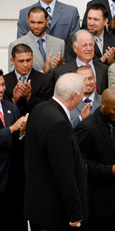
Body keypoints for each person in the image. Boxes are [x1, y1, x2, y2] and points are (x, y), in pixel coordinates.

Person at [24, 73, 88, 230]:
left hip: (37, 206)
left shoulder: (39, 109)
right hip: (55, 213)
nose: (84, 98)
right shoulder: (58, 123)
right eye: (83, 94)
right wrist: (75, 212)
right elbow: (64, 173)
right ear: (74, 96)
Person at [75, 87, 115, 231]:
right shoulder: (87, 127)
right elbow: (80, 164)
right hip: (96, 204)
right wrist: (110, 170)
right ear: (103, 103)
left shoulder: (114, 121)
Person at [0, 71, 28, 231]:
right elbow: (10, 131)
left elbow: (19, 142)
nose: (1, 89)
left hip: (13, 179)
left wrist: (22, 132)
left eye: (3, 84)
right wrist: (12, 128)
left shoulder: (10, 107)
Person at [9, 6, 64, 74]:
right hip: (30, 84)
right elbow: (12, 74)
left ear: (47, 21)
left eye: (40, 23)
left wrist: (60, 67)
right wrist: (43, 72)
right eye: (32, 22)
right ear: (27, 20)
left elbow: (65, 70)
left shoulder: (59, 43)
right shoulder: (15, 44)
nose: (36, 26)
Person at [53, 30, 108, 94]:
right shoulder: (62, 72)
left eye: (91, 45)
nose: (89, 49)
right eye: (84, 45)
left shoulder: (105, 70)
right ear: (74, 48)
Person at [4, 44, 53, 116]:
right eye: (21, 61)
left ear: (32, 59)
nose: (25, 64)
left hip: (36, 123)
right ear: (12, 61)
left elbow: (49, 108)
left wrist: (29, 97)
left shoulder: (46, 80)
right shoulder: (4, 81)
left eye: (28, 60)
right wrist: (14, 100)